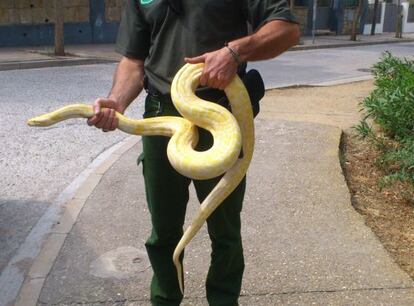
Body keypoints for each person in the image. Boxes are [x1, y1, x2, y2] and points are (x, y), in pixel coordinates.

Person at [88, 1, 300, 305]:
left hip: (220, 114)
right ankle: (164, 299)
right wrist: (116, 101)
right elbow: (133, 60)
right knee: (163, 232)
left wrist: (235, 51)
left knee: (224, 230)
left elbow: (287, 30)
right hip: (161, 114)